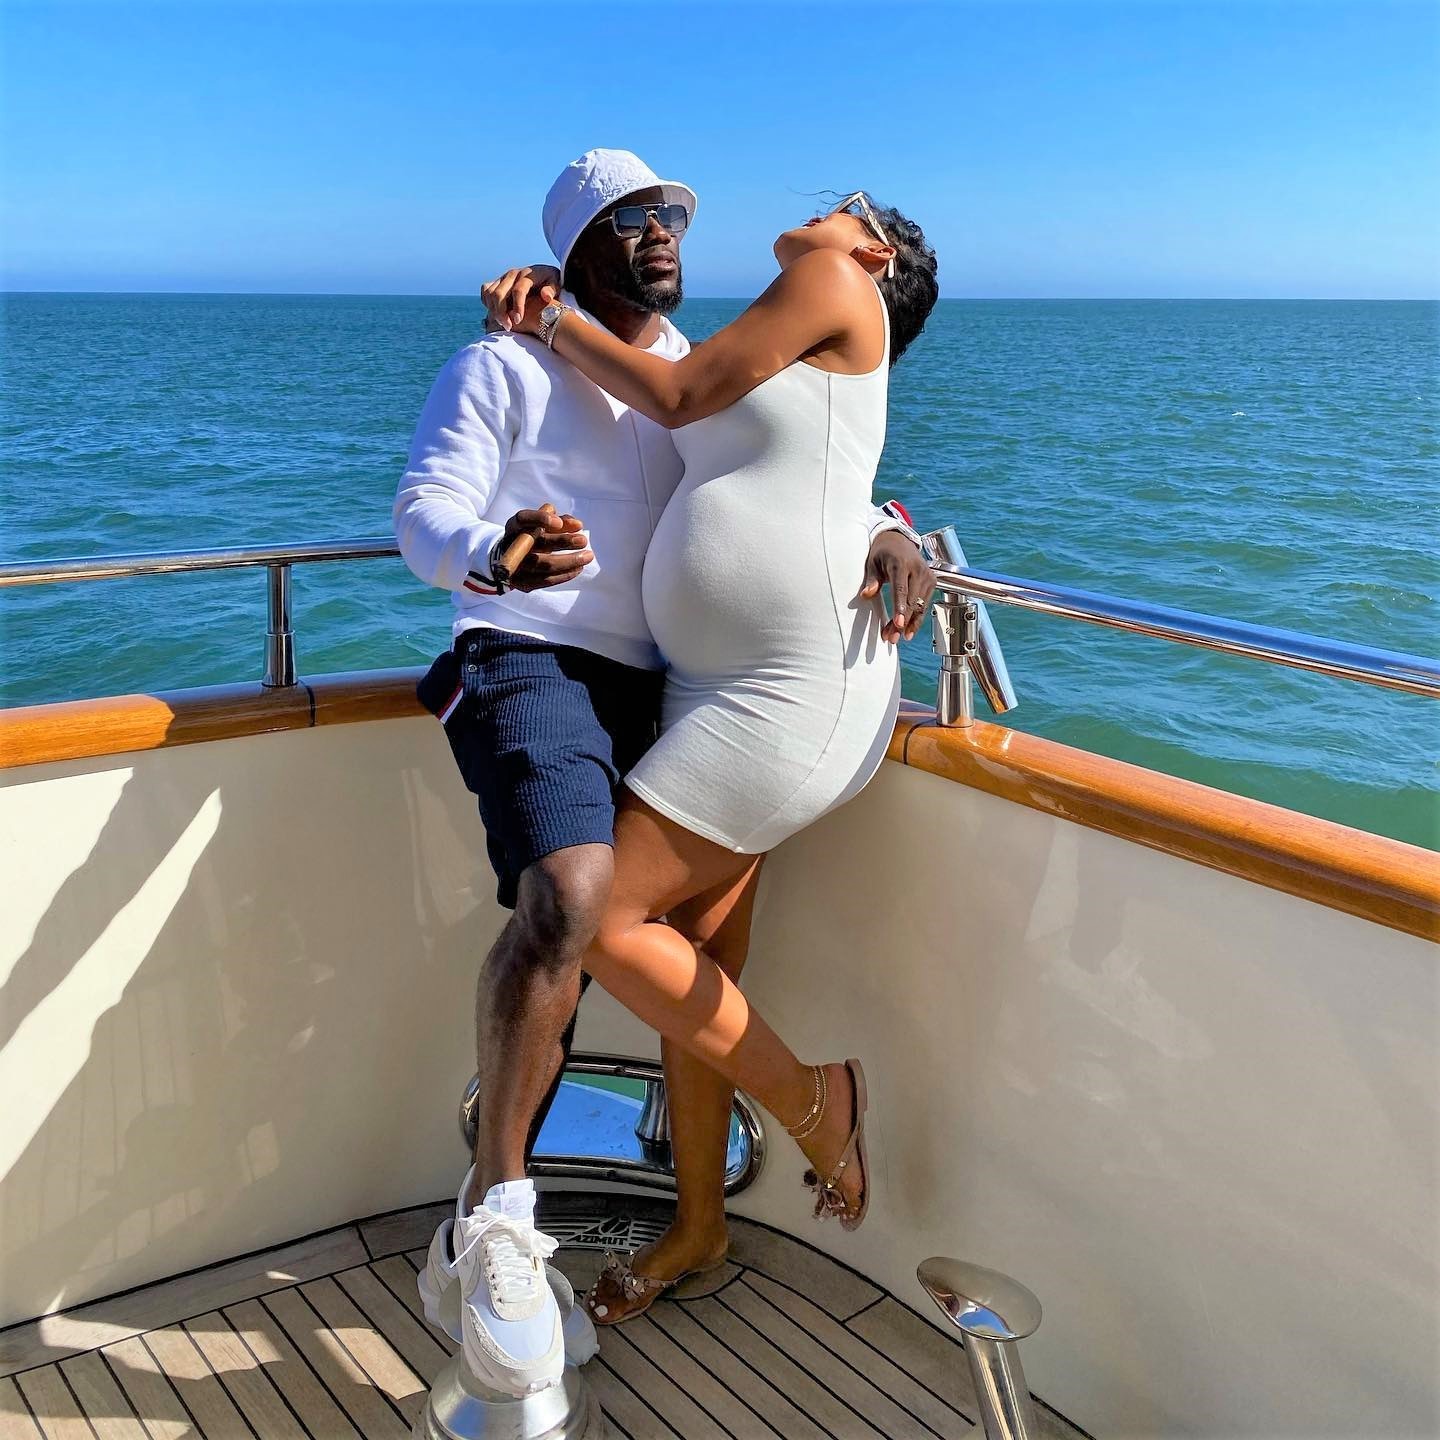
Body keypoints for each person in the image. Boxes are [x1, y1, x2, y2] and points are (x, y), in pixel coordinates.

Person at [393, 149, 932, 1397]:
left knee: (674, 953)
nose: (661, 230)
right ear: (572, 248)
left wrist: (892, 531)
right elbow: (422, 512)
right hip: (537, 653)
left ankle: (737, 1179)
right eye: (628, 217)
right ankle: (515, 1225)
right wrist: (494, 550)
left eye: (673, 213)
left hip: (695, 688)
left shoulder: (692, 361)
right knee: (584, 907)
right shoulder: (501, 365)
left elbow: (803, 460)